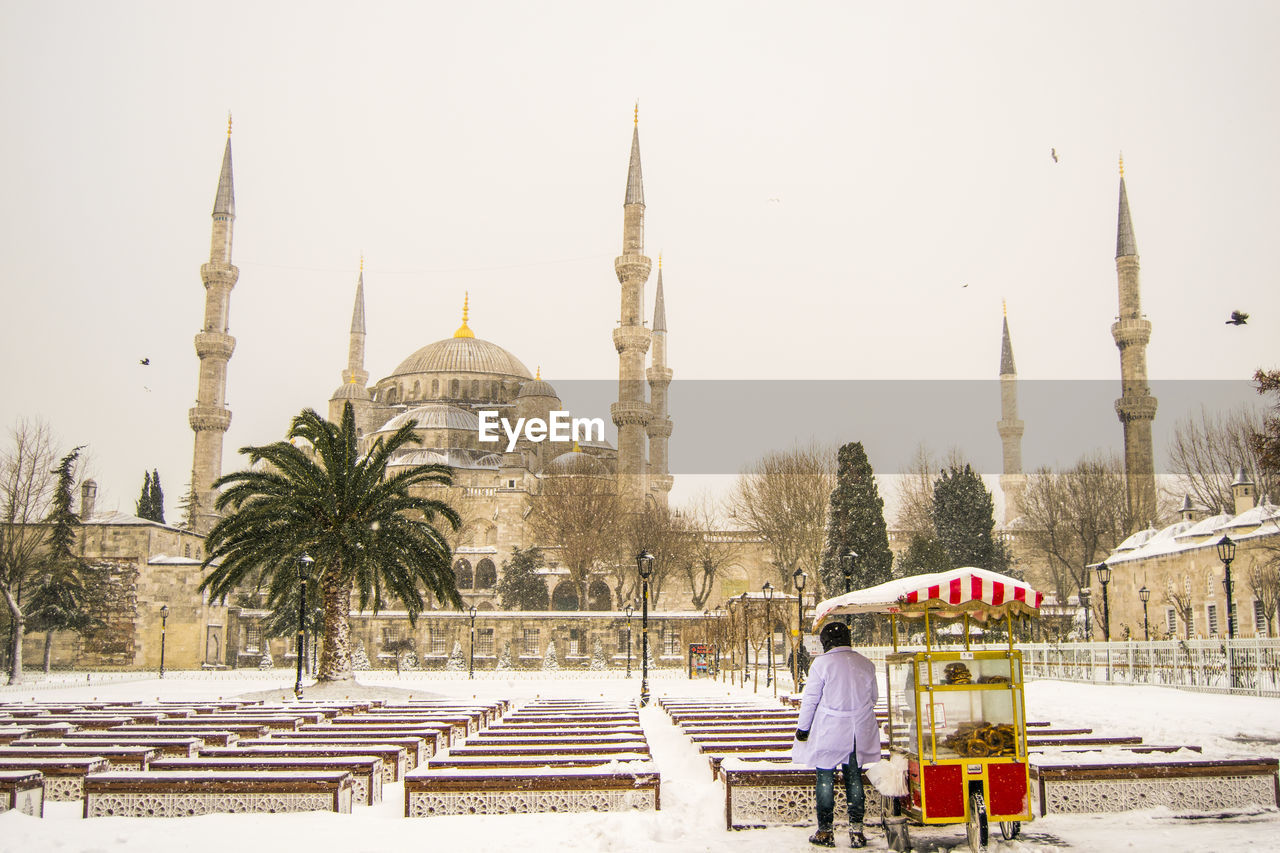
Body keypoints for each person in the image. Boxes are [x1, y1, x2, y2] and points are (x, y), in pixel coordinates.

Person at [792, 621, 880, 848]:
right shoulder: (865, 663)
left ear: (826, 643)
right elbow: (873, 698)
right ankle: (857, 831)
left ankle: (825, 831)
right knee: (854, 778)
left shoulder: (821, 664)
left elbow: (810, 700)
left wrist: (803, 729)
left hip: (830, 730)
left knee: (824, 779)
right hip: (858, 731)